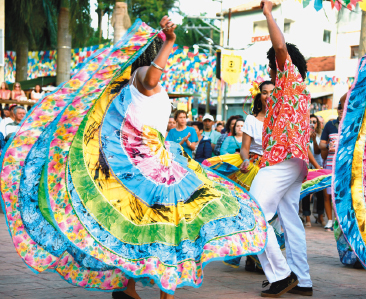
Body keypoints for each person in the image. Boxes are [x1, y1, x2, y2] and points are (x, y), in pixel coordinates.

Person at [0, 17, 269, 299]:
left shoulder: (128, 85)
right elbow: (153, 77)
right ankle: (157, 291)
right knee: (165, 225)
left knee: (147, 225)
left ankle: (134, 289)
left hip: (155, 161)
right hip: (151, 166)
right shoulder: (141, 75)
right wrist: (171, 42)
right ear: (151, 53)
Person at [249, 1, 312, 296]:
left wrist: (268, 15)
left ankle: (281, 275)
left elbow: (281, 49)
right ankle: (303, 280)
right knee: (290, 220)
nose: (271, 71)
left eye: (273, 65)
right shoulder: (292, 91)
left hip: (283, 159)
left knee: (254, 213)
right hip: (294, 160)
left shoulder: (289, 80)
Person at [319, 101, 343, 231]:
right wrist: (329, 145)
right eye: (339, 107)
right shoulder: (330, 124)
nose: (341, 110)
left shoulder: (350, 125)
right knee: (327, 194)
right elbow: (321, 144)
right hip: (329, 163)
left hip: (344, 164)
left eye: (343, 107)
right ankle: (329, 220)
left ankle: (339, 221)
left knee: (340, 194)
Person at [302, 115, 325, 228]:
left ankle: (320, 216)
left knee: (320, 193)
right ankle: (307, 217)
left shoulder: (320, 135)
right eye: (310, 121)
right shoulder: (303, 134)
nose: (312, 123)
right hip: (307, 166)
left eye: (314, 122)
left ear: (317, 124)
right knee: (306, 192)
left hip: (318, 166)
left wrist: (314, 140)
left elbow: (317, 151)